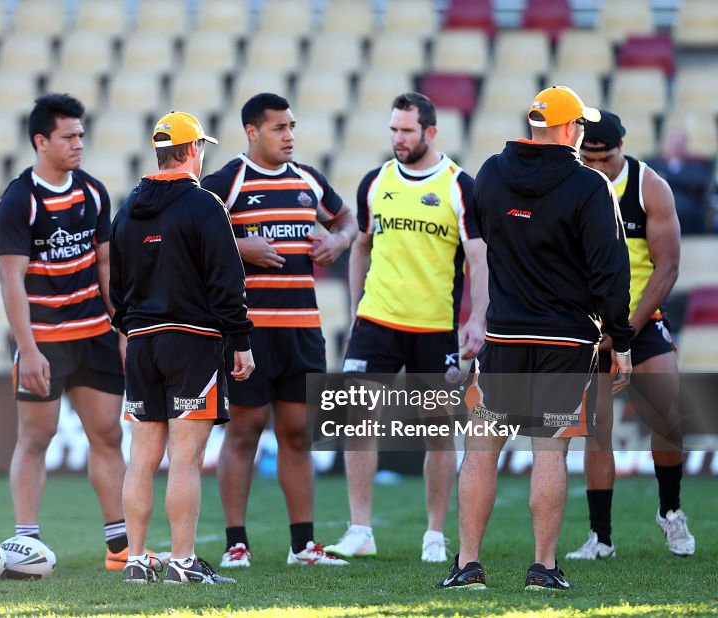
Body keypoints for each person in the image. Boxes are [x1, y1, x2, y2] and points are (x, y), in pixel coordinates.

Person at [437, 86, 633, 591]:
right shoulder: (590, 186)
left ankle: (468, 567)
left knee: (481, 449)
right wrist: (622, 340)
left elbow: (485, 240)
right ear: (571, 130)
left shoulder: (492, 174)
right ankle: (543, 568)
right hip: (565, 342)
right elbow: (611, 273)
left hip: (503, 335)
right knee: (550, 452)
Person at [326, 92, 488, 563]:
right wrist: (358, 307)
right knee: (358, 422)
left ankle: (435, 536)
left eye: (407, 131)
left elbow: (478, 258)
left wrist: (477, 318)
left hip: (435, 327)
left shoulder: (461, 186)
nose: (398, 139)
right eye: (393, 130)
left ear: (430, 132)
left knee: (438, 431)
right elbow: (360, 246)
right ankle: (360, 529)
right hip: (376, 321)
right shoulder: (375, 182)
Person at [0, 93, 149, 569]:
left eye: (81, 134)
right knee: (36, 437)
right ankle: (26, 543)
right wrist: (29, 349)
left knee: (106, 434)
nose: (79, 143)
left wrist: (121, 329)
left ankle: (119, 545)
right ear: (41, 141)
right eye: (69, 136)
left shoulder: (94, 192)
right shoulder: (18, 200)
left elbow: (105, 266)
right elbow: (10, 281)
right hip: (44, 340)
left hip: (94, 335)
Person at [201, 93, 355, 568]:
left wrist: (338, 238)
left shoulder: (309, 179)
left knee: (296, 434)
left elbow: (347, 218)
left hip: (303, 327)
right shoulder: (227, 182)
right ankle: (235, 544)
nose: (289, 135)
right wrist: (239, 245)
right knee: (245, 431)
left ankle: (303, 546)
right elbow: (193, 232)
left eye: (292, 126)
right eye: (278, 128)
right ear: (251, 131)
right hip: (249, 330)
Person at [111, 111, 254, 584]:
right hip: (191, 342)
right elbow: (227, 280)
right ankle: (183, 561)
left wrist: (132, 328)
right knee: (186, 456)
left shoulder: (128, 207)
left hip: (143, 343)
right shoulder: (204, 204)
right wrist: (240, 340)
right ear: (193, 151)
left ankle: (135, 559)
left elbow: (117, 288)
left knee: (143, 456)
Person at [565, 110, 694, 560]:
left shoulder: (649, 187)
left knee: (668, 415)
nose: (596, 167)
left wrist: (626, 331)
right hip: (591, 327)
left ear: (622, 146)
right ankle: (601, 537)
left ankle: (671, 510)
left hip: (639, 320)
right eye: (589, 158)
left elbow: (668, 267)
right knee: (596, 430)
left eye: (605, 158)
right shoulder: (571, 183)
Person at [644, 127, 713, 236]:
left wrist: (667, 177)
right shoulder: (652, 164)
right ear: (665, 143)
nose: (676, 147)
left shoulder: (695, 166)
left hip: (688, 214)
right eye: (673, 143)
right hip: (659, 211)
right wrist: (683, 182)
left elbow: (700, 181)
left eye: (680, 144)